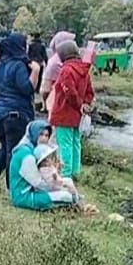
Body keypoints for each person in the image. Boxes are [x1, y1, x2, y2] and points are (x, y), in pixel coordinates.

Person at [0, 32, 41, 188]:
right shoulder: (19, 65)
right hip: (15, 113)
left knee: (8, 145)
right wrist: (35, 72)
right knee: (14, 151)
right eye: (25, 44)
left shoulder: (0, 64)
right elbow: (27, 89)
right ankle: (13, 187)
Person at [8, 120, 93, 212]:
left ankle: (79, 203)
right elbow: (38, 183)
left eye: (46, 135)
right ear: (34, 133)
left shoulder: (32, 149)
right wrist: (58, 187)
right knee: (65, 196)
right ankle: (78, 205)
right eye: (41, 134)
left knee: (68, 182)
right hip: (24, 196)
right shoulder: (26, 155)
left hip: (32, 190)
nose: (44, 139)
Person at [50, 40, 95, 180]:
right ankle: (76, 172)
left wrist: (78, 104)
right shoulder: (84, 70)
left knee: (65, 144)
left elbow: (69, 92)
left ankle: (66, 174)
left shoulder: (66, 70)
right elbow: (90, 92)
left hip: (64, 112)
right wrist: (85, 105)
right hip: (78, 115)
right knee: (76, 142)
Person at [40, 31, 75, 114]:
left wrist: (44, 105)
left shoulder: (55, 62)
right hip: (62, 105)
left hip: (60, 105)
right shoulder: (57, 63)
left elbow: (45, 90)